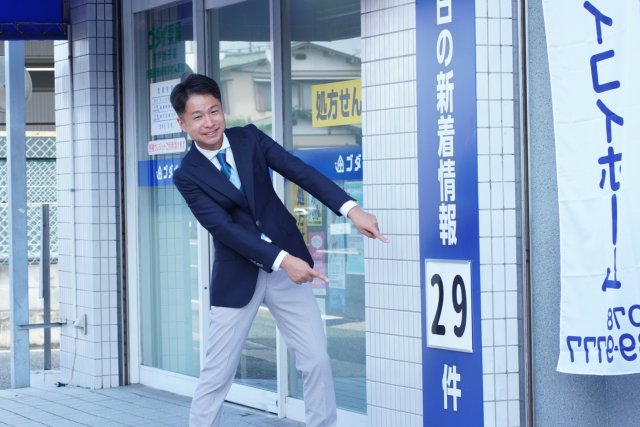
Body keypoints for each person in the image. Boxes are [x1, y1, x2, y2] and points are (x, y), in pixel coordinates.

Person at [170, 73, 387, 427]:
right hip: (240, 275)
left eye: (214, 111)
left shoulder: (249, 139)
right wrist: (284, 260)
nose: (209, 122)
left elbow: (299, 171)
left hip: (288, 267)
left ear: (223, 110)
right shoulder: (187, 175)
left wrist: (351, 209)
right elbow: (224, 229)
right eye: (198, 116)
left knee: (316, 359)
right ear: (183, 124)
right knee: (217, 372)